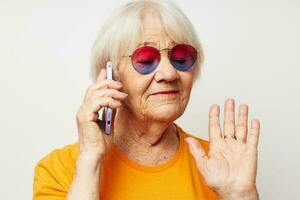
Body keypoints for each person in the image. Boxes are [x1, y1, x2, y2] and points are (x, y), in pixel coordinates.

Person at [33, 0, 261, 199]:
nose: (169, 74)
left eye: (181, 57)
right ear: (111, 75)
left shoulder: (219, 165)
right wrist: (90, 160)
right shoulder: (60, 169)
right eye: (145, 59)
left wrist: (240, 195)